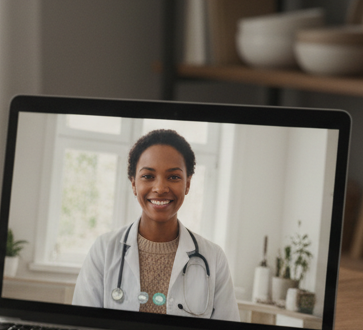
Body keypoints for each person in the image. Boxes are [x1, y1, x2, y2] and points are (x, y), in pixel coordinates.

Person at [73, 129, 240, 320]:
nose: (160, 188)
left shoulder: (214, 258)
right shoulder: (104, 249)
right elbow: (83, 326)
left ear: (187, 184)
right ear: (133, 184)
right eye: (148, 176)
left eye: (174, 177)